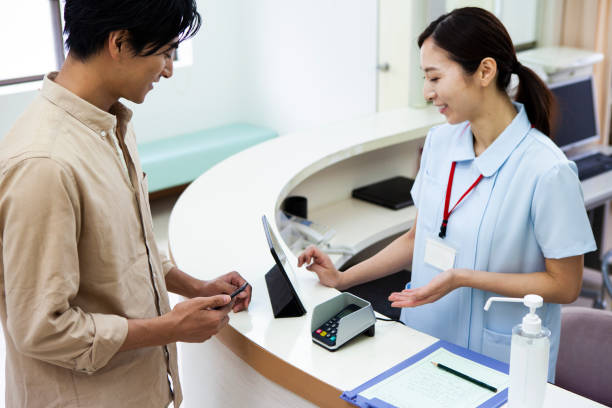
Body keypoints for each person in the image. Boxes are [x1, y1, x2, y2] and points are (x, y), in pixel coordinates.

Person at [298, 7, 596, 382]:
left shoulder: (546, 170)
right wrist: (343, 278)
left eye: (435, 77)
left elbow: (566, 286)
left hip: (497, 361)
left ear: (485, 71)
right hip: (420, 342)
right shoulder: (440, 143)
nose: (427, 92)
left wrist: (463, 278)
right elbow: (416, 239)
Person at [0, 1, 252, 407]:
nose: (168, 69)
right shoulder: (43, 164)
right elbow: (43, 328)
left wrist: (194, 287)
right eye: (165, 52)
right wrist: (169, 327)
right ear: (119, 42)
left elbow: (124, 247)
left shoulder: (110, 123)